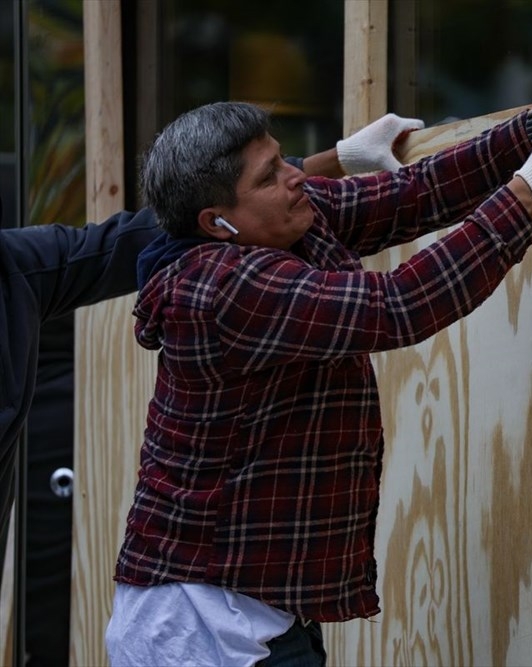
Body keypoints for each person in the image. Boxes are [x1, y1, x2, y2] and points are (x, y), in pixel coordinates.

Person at [104, 57, 532, 666]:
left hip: (258, 609)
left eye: (281, 157)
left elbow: (413, 194)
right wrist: (526, 197)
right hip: (197, 630)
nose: (296, 175)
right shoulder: (219, 289)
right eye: (270, 175)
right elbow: (395, 307)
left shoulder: (281, 224)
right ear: (214, 223)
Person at [0, 111, 424, 665]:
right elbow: (393, 308)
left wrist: (327, 163)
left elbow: (149, 232)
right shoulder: (219, 296)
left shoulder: (12, 268)